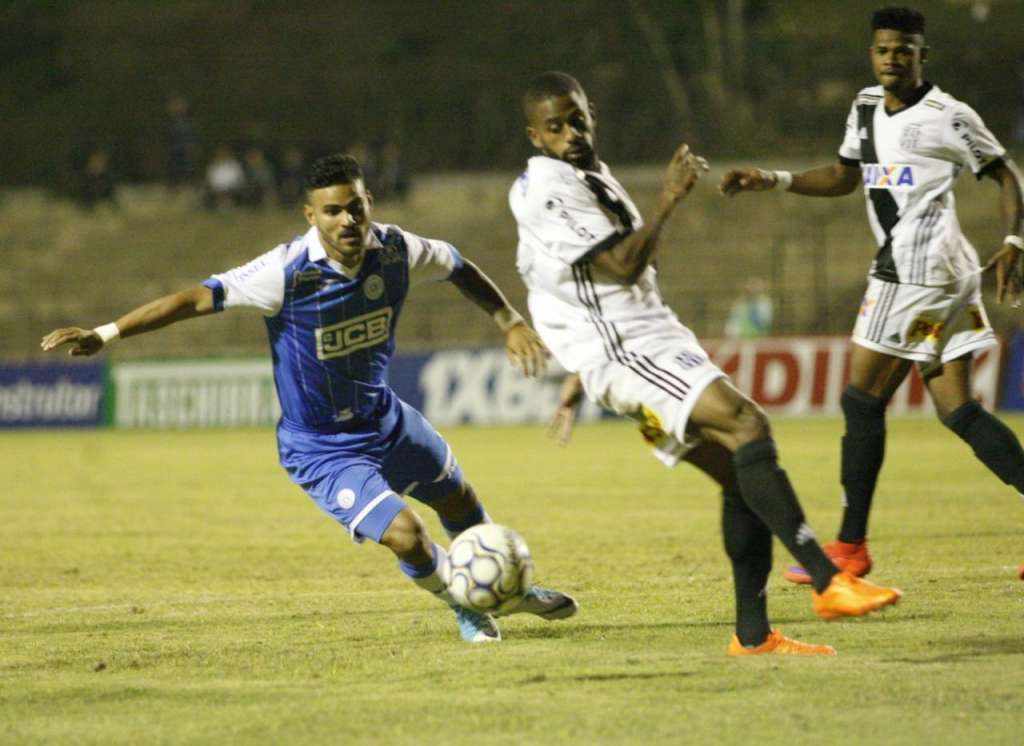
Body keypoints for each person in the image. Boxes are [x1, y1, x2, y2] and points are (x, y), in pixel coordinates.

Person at [41, 153, 577, 643]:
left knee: (459, 500)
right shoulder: (284, 273)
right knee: (406, 535)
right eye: (332, 211)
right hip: (323, 447)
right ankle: (467, 604)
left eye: (355, 207)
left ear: (369, 204)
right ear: (311, 216)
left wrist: (508, 320)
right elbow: (192, 298)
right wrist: (107, 333)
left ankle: (508, 587)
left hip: (385, 419)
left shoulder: (395, 250)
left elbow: (457, 264)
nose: (347, 220)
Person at [511, 71, 902, 657]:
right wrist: (669, 198)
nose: (570, 132)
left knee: (742, 476)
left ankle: (753, 636)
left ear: (591, 113)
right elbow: (618, 267)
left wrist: (577, 373)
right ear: (535, 135)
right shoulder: (547, 186)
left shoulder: (583, 173)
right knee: (748, 424)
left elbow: (558, 285)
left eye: (577, 118)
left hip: (635, 341)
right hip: (629, 347)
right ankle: (828, 580)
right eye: (555, 126)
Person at [720, 6, 1024, 584]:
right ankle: (852, 545)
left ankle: (850, 548)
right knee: (958, 410)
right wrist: (774, 179)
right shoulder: (862, 107)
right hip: (939, 276)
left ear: (921, 56)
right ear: (873, 53)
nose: (893, 58)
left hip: (918, 273)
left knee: (862, 401)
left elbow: (1006, 172)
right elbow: (843, 175)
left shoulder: (948, 116)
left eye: (905, 50)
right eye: (884, 49)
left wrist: (1014, 239)